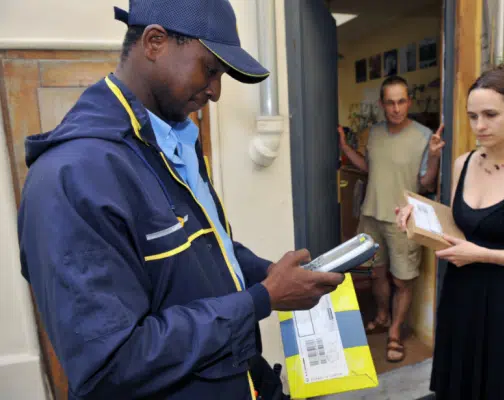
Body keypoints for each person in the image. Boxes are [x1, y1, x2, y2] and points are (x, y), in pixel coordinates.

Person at [17, 1, 345, 399]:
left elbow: (200, 248)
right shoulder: (73, 177)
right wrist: (263, 298)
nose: (217, 91)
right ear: (155, 42)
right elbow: (112, 365)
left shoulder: (173, 140)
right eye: (210, 69)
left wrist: (266, 272)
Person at [397, 65, 504, 400]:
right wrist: (419, 218)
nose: (479, 126)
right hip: (459, 294)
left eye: (490, 115)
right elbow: (460, 226)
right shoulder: (463, 163)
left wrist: (483, 254)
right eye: (473, 116)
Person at [338, 75, 445, 362]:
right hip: (372, 213)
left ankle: (395, 332)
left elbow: (426, 182)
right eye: (390, 102)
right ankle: (384, 315)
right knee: (375, 273)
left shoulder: (424, 136)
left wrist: (434, 156)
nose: (396, 108)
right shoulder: (374, 133)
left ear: (409, 101)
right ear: (382, 104)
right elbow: (370, 169)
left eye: (401, 101)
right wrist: (346, 149)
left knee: (402, 280)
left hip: (402, 220)